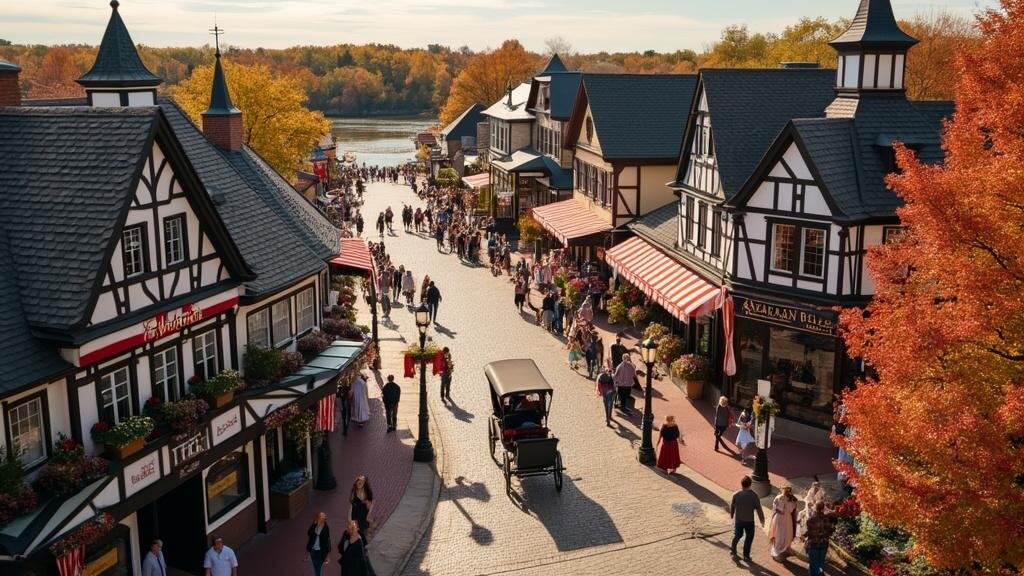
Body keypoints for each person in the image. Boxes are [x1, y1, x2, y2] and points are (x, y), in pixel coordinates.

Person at [728, 475, 765, 561]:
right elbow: (759, 509)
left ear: (742, 484)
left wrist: (732, 515)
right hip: (749, 521)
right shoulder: (754, 495)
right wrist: (762, 520)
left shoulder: (736, 494)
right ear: (750, 484)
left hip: (739, 520)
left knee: (737, 535)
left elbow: (732, 506)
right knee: (749, 538)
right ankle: (746, 556)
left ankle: (733, 550)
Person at [802, 500, 837, 576]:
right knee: (821, 562)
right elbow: (830, 530)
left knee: (813, 563)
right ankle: (820, 572)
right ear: (823, 508)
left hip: (813, 544)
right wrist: (832, 528)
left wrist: (803, 536)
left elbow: (807, 532)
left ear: (815, 508)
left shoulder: (810, 519)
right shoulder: (827, 519)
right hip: (823, 544)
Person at [768, 485, 798, 561]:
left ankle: (778, 550)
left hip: (779, 518)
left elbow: (775, 509)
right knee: (787, 534)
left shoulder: (778, 498)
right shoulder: (793, 500)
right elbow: (792, 510)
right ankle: (784, 549)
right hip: (787, 518)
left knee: (779, 534)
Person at [349, 476, 374, 543]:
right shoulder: (354, 491)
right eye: (358, 481)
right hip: (355, 513)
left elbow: (372, 503)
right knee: (356, 530)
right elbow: (351, 505)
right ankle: (360, 544)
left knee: (362, 530)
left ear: (364, 484)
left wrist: (368, 516)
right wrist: (349, 518)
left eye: (361, 482)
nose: (359, 483)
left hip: (363, 514)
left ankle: (363, 544)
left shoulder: (367, 492)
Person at [305, 512, 331, 576]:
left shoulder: (326, 527)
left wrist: (327, 553)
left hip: (321, 551)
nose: (321, 520)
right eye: (320, 518)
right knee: (315, 565)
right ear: (317, 518)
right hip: (313, 550)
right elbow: (309, 533)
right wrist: (315, 525)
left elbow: (327, 540)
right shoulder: (314, 525)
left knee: (318, 566)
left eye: (323, 518)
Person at [595, 360, 616, 427]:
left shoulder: (601, 376)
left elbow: (598, 385)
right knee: (609, 405)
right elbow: (614, 385)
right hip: (609, 393)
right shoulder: (611, 376)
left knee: (607, 406)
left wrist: (599, 392)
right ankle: (608, 418)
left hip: (606, 393)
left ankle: (608, 418)